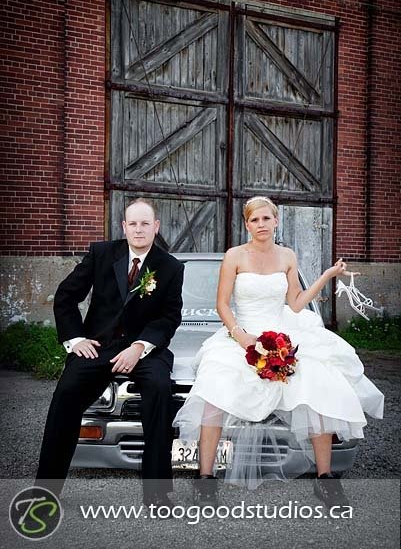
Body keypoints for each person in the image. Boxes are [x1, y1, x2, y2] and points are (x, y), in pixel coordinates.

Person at [173, 196, 384, 508]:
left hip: (283, 336)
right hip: (241, 336)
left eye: (266, 218)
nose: (261, 224)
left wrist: (326, 276)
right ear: (247, 225)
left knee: (319, 385)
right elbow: (222, 304)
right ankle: (205, 479)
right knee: (213, 389)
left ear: (275, 221)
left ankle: (325, 480)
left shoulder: (287, 256)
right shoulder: (234, 256)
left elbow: (295, 304)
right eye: (254, 220)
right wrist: (240, 336)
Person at [36, 198, 184, 506]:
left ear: (156, 227)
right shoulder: (101, 253)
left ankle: (157, 494)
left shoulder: (170, 267)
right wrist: (76, 339)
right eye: (133, 223)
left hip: (144, 349)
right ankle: (45, 494)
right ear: (124, 226)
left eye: (146, 223)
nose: (139, 229)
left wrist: (139, 347)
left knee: (160, 391)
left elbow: (169, 317)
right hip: (98, 347)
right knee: (65, 395)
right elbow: (66, 296)